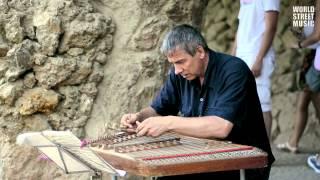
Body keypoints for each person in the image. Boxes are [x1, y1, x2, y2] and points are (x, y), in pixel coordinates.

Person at [120, 24, 274, 180]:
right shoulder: (179, 75)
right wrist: (139, 117)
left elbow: (221, 128)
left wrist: (167, 123)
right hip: (199, 156)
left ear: (200, 52)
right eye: (173, 63)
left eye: (181, 62)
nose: (176, 70)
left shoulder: (234, 70)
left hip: (239, 163)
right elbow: (159, 109)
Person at [231, 0, 280, 140]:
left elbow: (271, 27)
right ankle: (249, 149)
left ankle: (265, 153)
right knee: (242, 102)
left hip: (257, 55)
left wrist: (259, 59)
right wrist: (233, 57)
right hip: (242, 54)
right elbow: (241, 27)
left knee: (261, 102)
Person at [277, 0, 320, 153]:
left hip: (316, 60)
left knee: (315, 104)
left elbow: (316, 36)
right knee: (303, 102)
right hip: (310, 59)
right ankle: (293, 142)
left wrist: (300, 45)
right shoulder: (308, 8)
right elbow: (302, 33)